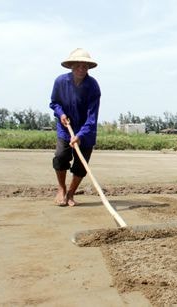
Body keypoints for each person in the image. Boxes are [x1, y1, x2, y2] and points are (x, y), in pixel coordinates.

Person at [49, 48, 101, 206]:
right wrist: (61, 114)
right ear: (71, 66)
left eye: (84, 66)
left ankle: (71, 193)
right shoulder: (60, 82)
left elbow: (92, 118)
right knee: (60, 156)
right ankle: (61, 189)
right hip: (66, 128)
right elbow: (54, 103)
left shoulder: (93, 86)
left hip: (86, 131)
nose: (81, 69)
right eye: (78, 65)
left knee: (81, 165)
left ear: (88, 68)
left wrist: (80, 135)